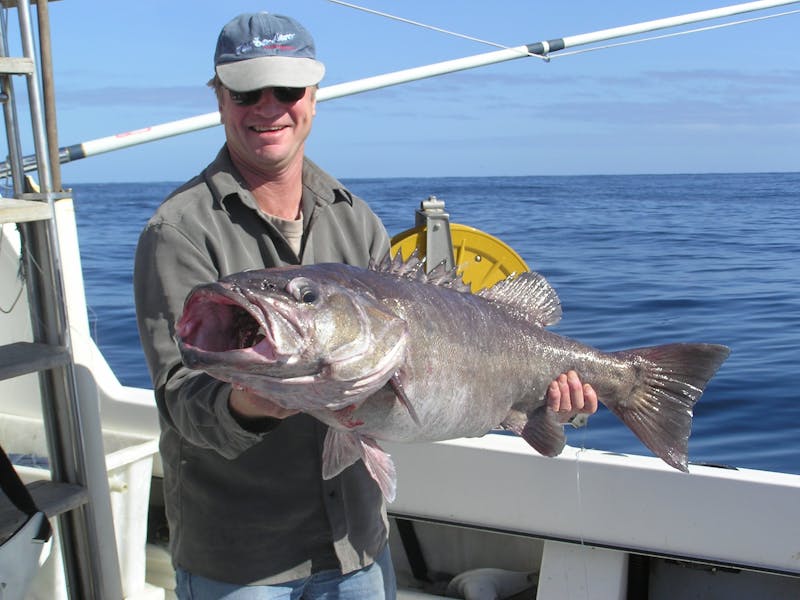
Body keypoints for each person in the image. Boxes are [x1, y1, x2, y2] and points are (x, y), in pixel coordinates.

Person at [134, 11, 598, 600]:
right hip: (241, 561)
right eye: (249, 90)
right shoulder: (178, 232)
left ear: (314, 98)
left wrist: (551, 405)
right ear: (220, 97)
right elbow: (180, 399)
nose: (269, 107)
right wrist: (256, 399)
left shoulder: (356, 220)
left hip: (357, 544)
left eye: (289, 89)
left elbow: (440, 386)